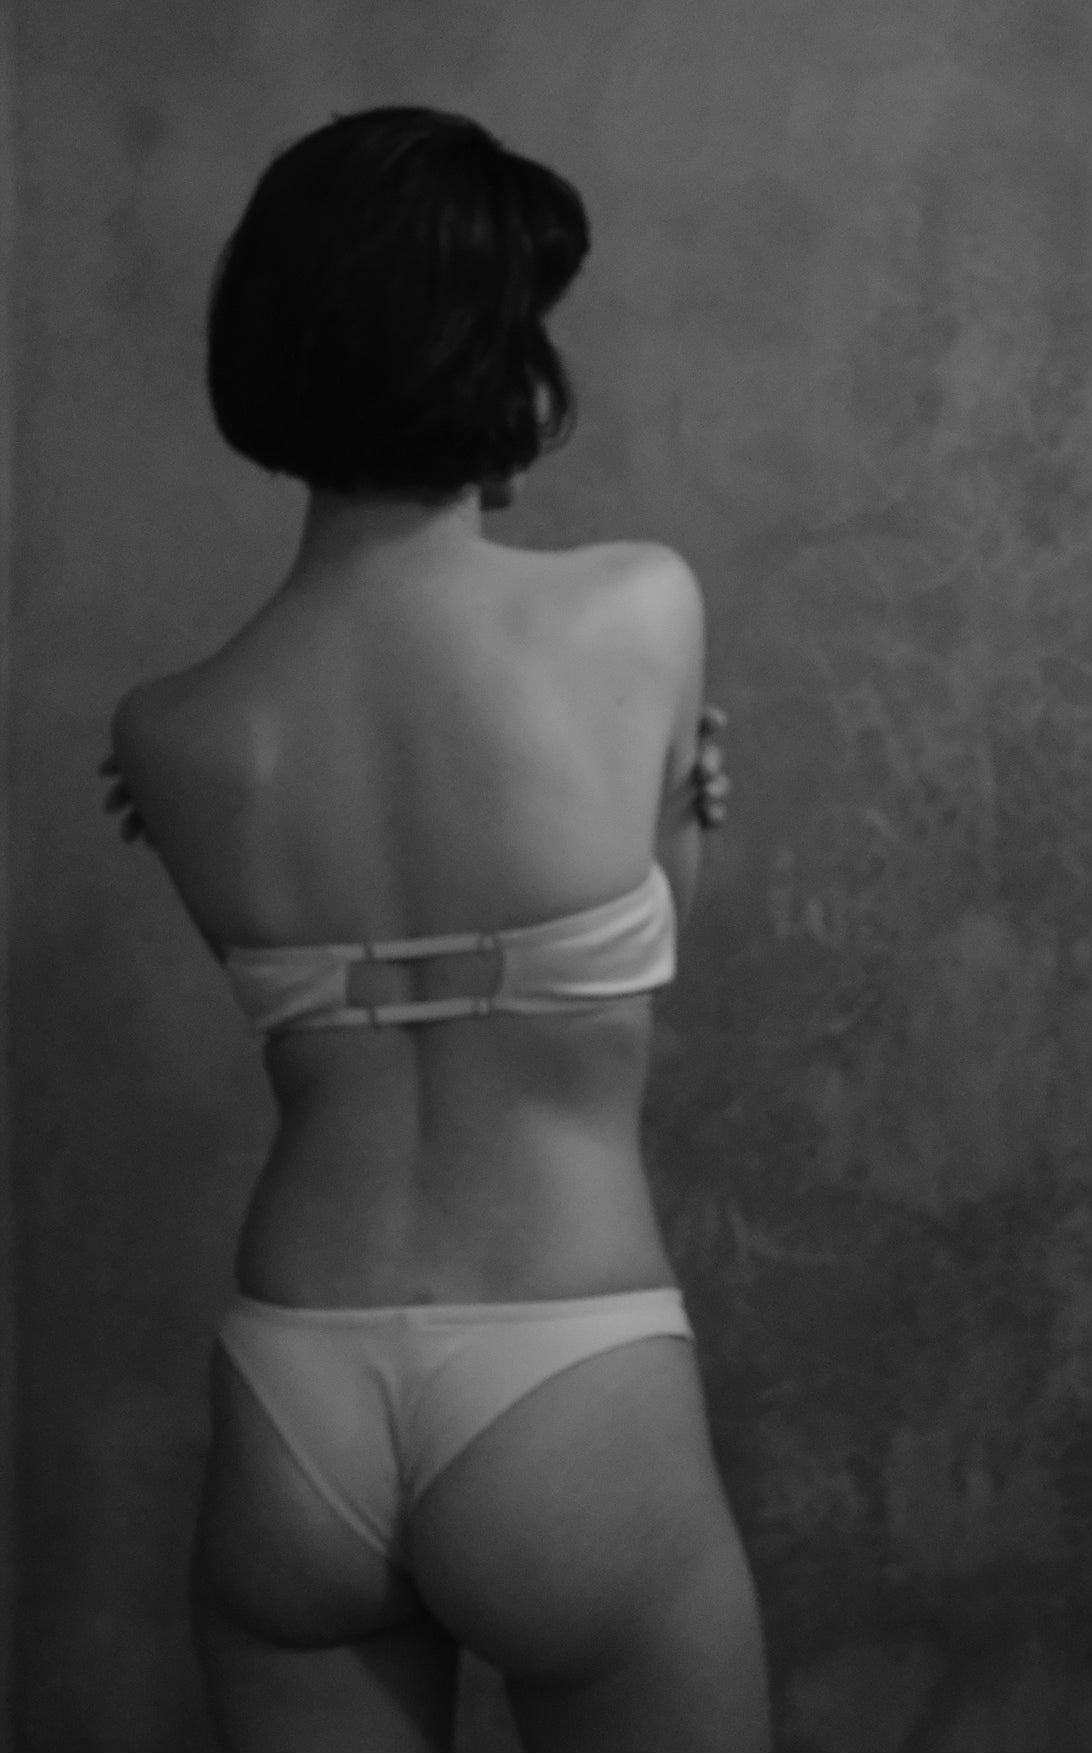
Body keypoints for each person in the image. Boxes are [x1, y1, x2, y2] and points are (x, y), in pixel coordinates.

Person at [101, 106, 768, 1752]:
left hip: (295, 1392)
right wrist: (687, 824)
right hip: (566, 1366)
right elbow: (637, 963)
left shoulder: (171, 733)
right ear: (482, 353)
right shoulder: (640, 607)